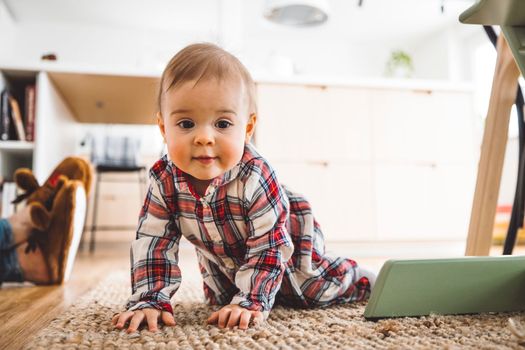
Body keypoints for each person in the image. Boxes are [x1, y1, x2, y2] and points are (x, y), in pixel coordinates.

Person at [113, 43, 376, 332]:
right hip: (225, 263)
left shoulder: (255, 175)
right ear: (164, 129)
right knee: (223, 303)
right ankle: (246, 290)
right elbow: (153, 242)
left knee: (309, 291)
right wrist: (150, 299)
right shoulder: (163, 180)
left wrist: (251, 300)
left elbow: (269, 245)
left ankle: (362, 279)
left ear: (247, 128)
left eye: (222, 123)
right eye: (186, 123)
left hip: (288, 244)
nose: (204, 137)